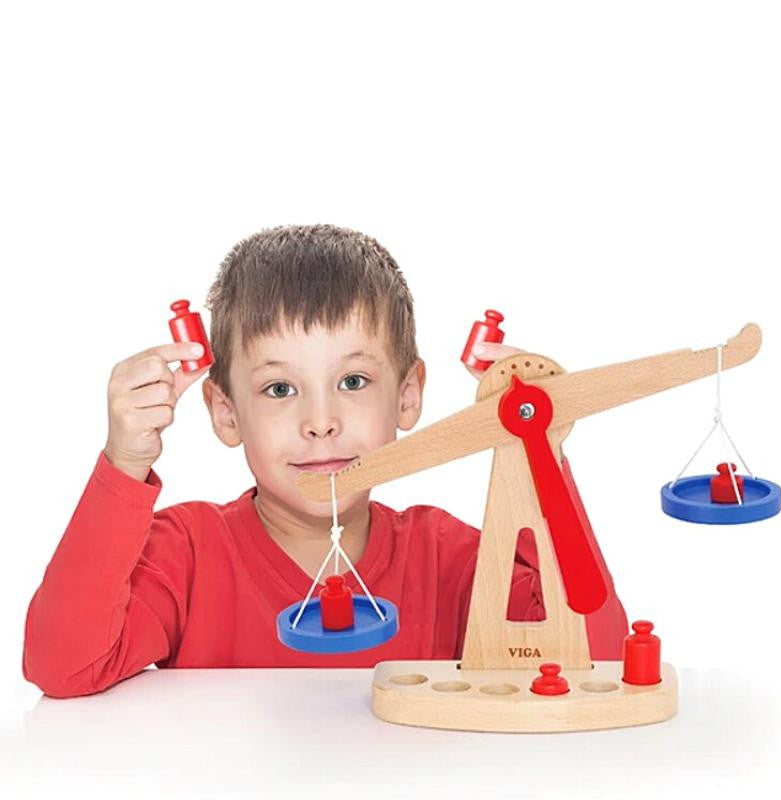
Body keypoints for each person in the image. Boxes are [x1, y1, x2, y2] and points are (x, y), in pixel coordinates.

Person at [22, 224, 628, 698]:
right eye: (280, 389)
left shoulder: (451, 560)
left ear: (409, 394)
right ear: (226, 412)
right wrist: (124, 462)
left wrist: (538, 449)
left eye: (354, 380)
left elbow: (598, 657)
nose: (321, 421)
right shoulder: (188, 553)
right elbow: (64, 665)